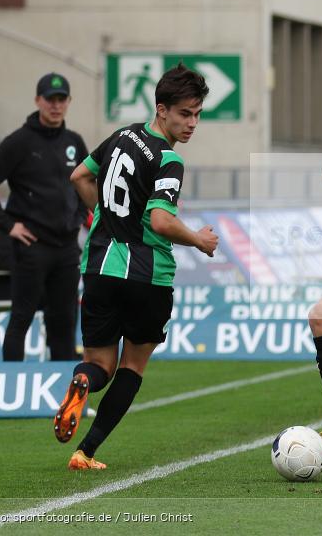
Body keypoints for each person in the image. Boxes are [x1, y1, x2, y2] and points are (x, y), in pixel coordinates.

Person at [52, 63, 219, 470]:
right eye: (185, 114)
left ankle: (83, 383)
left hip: (99, 268)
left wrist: (106, 216)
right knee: (132, 366)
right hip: (147, 275)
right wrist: (198, 239)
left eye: (197, 114)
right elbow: (161, 221)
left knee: (99, 364)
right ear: (162, 110)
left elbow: (78, 177)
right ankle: (85, 452)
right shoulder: (167, 160)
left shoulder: (122, 135)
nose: (192, 123)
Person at [0, 72, 89, 361]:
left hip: (66, 250)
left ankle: (63, 399)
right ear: (38, 100)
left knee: (64, 322)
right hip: (32, 247)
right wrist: (8, 225)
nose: (56, 105)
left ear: (69, 102)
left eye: (61, 99)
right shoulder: (20, 142)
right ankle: (14, 393)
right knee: (22, 318)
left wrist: (87, 215)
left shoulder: (74, 141)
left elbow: (88, 184)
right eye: (50, 99)